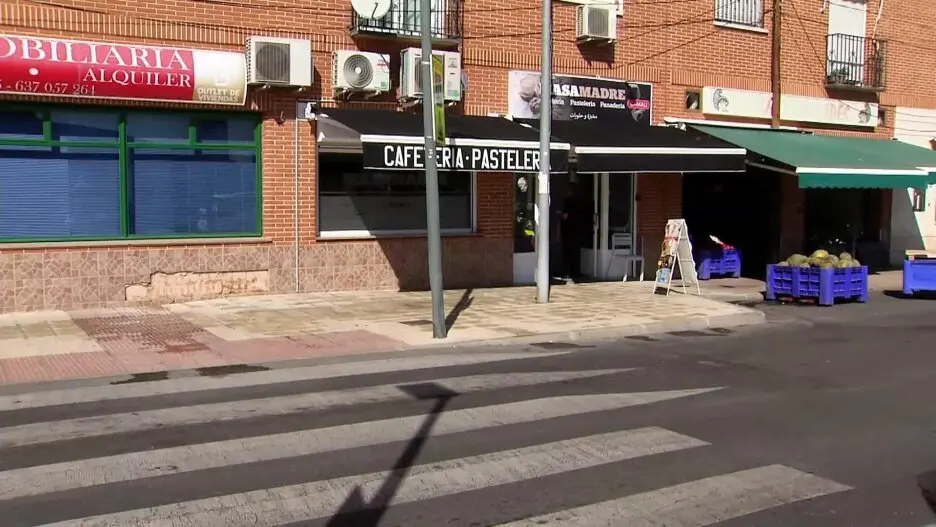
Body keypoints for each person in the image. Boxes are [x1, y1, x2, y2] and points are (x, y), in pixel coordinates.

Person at [559, 183, 586, 280]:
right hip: (577, 231)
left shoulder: (567, 202)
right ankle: (576, 272)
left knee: (567, 252)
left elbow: (565, 216)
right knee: (576, 252)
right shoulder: (580, 202)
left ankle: (567, 272)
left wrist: (560, 217)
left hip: (568, 231)